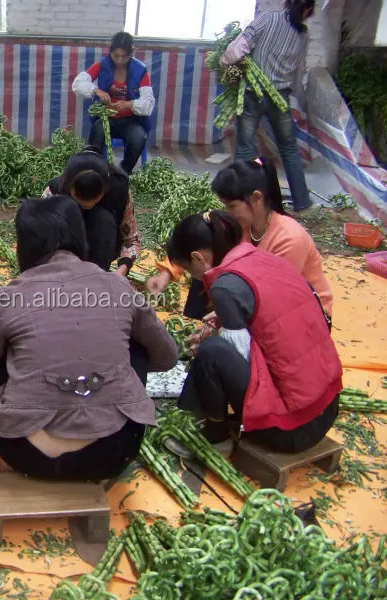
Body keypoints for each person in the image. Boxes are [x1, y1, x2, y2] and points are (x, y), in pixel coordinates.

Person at [0, 195, 178, 481]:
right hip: (115, 449)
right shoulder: (118, 286)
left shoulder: (14, 296)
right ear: (79, 237)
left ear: (24, 246)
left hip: (25, 452)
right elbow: (167, 356)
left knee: (3, 354)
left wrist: (3, 394)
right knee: (137, 347)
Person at [167, 211, 341, 453]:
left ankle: (217, 437)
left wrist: (214, 337)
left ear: (197, 258)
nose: (193, 277)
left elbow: (238, 356)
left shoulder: (224, 287)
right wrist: (224, 319)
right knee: (220, 346)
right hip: (327, 408)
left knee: (211, 353)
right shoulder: (266, 260)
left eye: (189, 271)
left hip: (293, 430)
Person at [146, 157, 332, 330]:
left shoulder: (289, 240)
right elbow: (195, 241)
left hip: (305, 318)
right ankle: (195, 327)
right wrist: (166, 273)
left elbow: (269, 299)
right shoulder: (241, 223)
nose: (227, 212)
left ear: (257, 198)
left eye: (232, 206)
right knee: (205, 270)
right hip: (255, 297)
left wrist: (222, 317)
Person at [220, 0, 316, 212]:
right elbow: (299, 71)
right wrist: (294, 94)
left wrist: (224, 61)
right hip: (280, 96)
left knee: (245, 148)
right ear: (307, 9)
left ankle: (245, 201)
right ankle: (302, 202)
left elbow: (240, 48)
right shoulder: (303, 34)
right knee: (289, 148)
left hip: (253, 94)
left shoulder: (266, 18)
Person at [42, 147, 141, 275]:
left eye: (95, 198)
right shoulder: (54, 192)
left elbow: (131, 240)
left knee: (102, 217)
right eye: (79, 198)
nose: (87, 204)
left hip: (101, 253)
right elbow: (39, 237)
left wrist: (121, 271)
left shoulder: (119, 191)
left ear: (105, 188)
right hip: (62, 264)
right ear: (69, 187)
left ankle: (96, 275)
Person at [71, 32, 155, 173]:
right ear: (110, 52)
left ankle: (123, 171)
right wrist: (97, 91)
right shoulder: (102, 65)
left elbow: (148, 102)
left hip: (131, 120)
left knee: (138, 138)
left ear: (131, 54)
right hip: (107, 118)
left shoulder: (140, 70)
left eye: (124, 56)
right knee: (97, 131)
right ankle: (96, 170)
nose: (120, 60)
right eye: (116, 55)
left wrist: (129, 105)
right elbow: (78, 84)